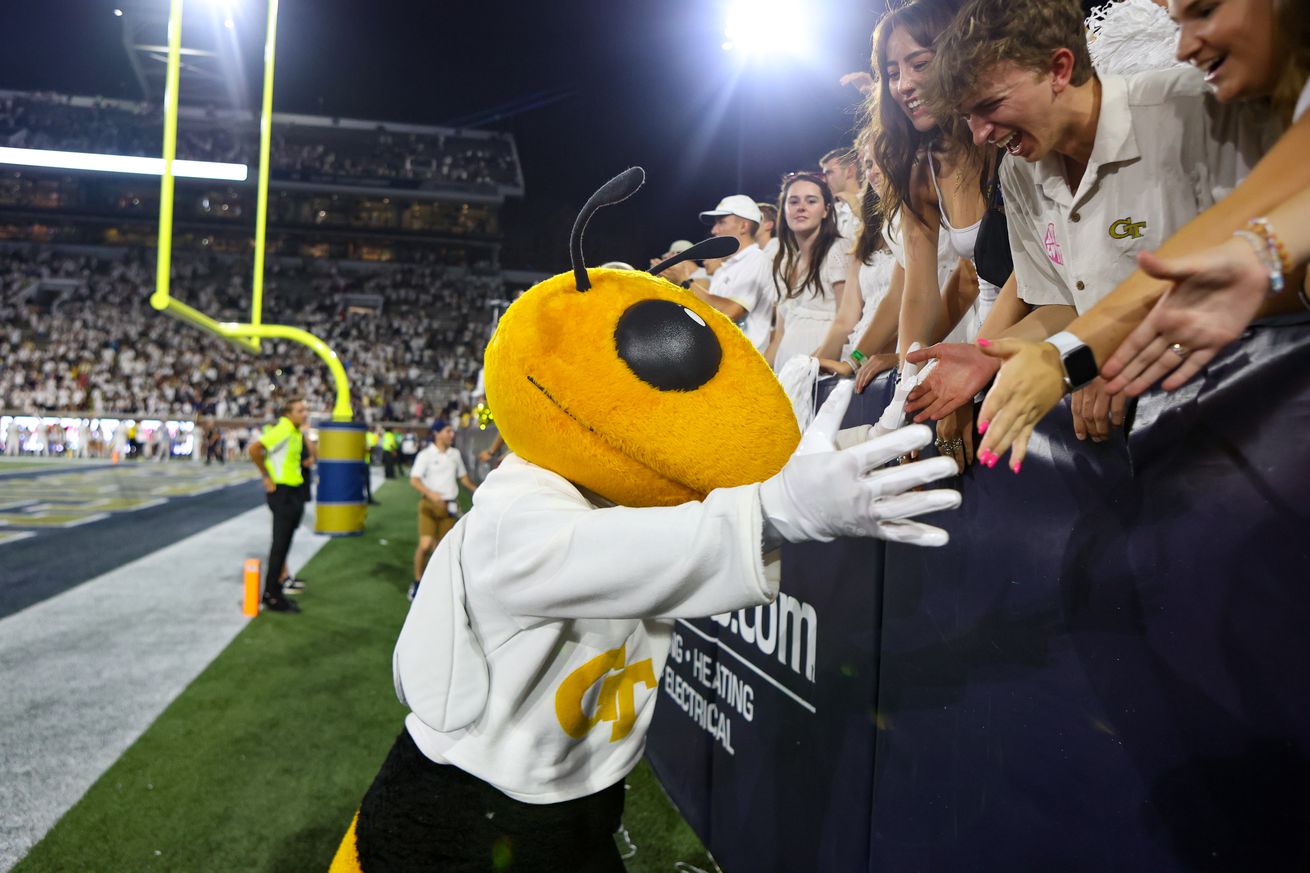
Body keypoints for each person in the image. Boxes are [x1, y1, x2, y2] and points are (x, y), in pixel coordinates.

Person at [922, 0, 1292, 470]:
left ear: (1060, 67)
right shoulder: (1019, 170)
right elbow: (1060, 303)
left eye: (989, 106)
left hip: (1258, 411)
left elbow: (1262, 269)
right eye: (967, 116)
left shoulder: (1190, 109)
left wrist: (1099, 352)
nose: (978, 135)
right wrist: (990, 357)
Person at [761, 172, 850, 371]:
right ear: (784, 210)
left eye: (811, 201)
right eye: (793, 201)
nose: (801, 207)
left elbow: (846, 321)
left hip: (821, 375)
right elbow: (779, 337)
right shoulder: (784, 262)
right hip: (788, 376)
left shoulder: (838, 250)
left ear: (826, 210)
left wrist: (810, 368)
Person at [248, 397, 310, 614]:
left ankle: (276, 589)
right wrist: (266, 476)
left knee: (284, 544)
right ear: (288, 413)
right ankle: (271, 595)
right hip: (282, 492)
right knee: (279, 545)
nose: (305, 413)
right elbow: (255, 449)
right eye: (301, 410)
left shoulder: (294, 430)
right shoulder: (283, 428)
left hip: (293, 491)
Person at [408, 418, 477, 601]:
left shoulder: (455, 454)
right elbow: (414, 480)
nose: (452, 434)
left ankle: (434, 586)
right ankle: (417, 582)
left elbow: (463, 478)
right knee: (424, 545)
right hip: (429, 506)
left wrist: (478, 490)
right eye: (448, 431)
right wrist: (431, 494)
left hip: (449, 507)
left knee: (440, 551)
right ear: (437, 433)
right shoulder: (425, 455)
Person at [820, 147, 863, 239]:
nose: (824, 180)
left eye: (829, 173)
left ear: (849, 171)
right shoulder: (830, 211)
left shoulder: (872, 205)